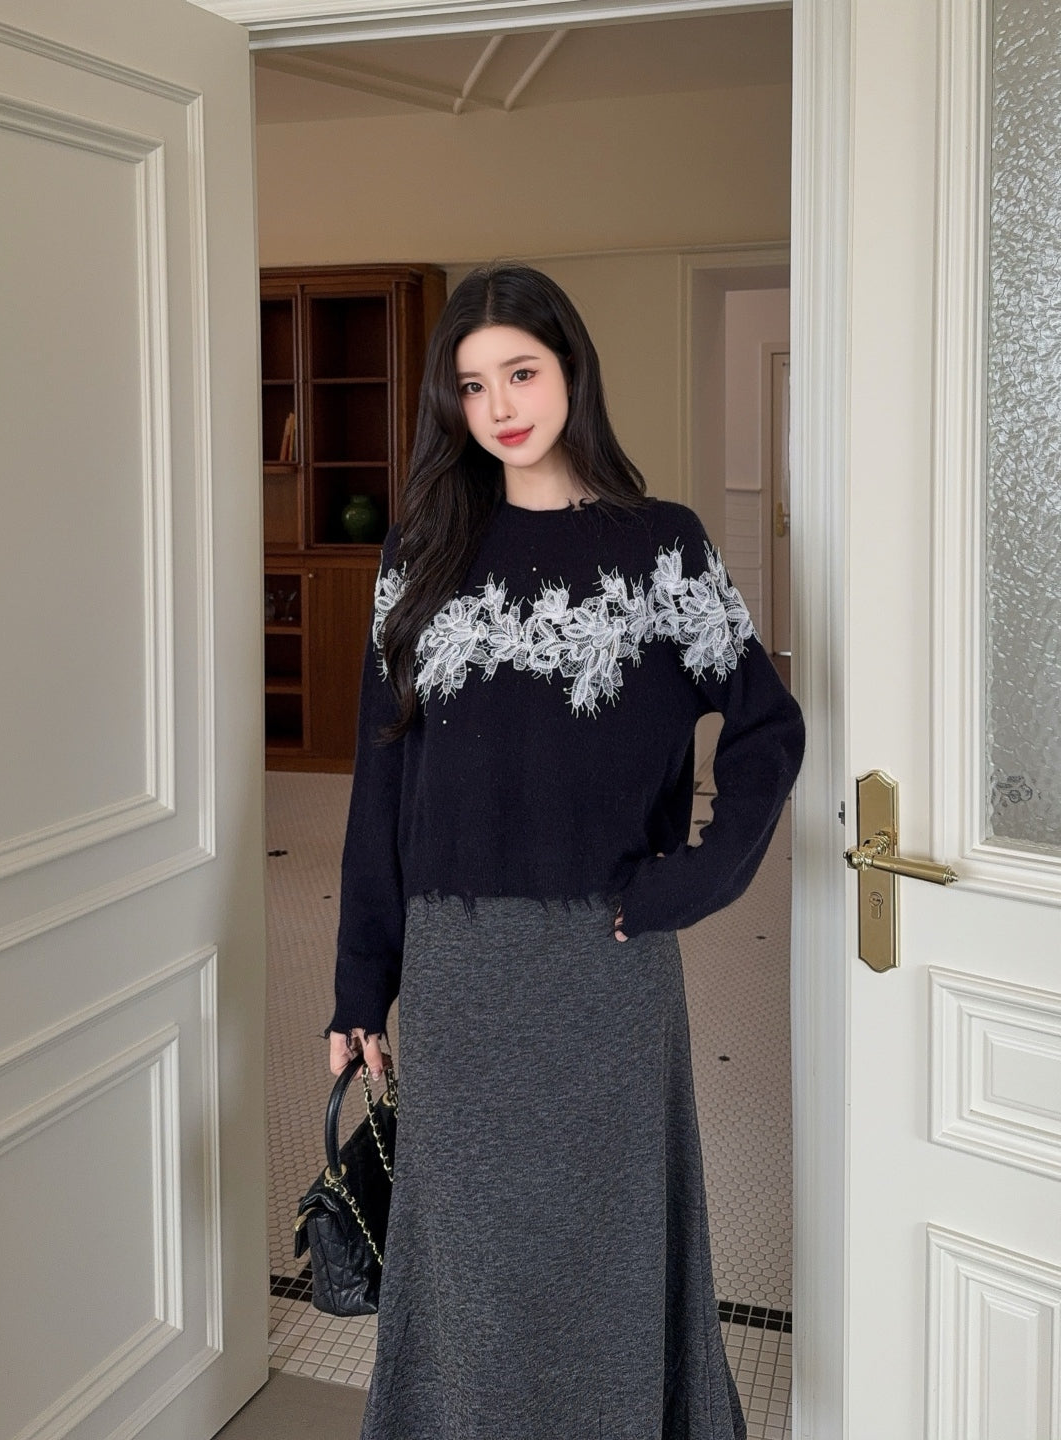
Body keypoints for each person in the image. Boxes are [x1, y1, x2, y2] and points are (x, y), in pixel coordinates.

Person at [324, 261, 805, 1440]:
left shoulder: (663, 549)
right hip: (458, 966)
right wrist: (359, 986)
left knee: (609, 1240)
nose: (500, 406)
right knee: (471, 1253)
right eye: (472, 384)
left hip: (607, 958)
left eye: (521, 372)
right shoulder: (421, 553)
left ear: (572, 371)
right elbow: (383, 785)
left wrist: (698, 878)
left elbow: (766, 726)